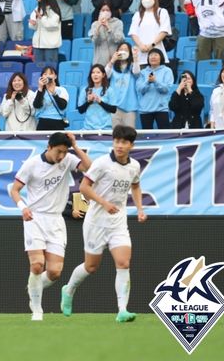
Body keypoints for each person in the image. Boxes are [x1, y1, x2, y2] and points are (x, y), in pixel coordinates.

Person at [61, 125, 146, 323]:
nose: (119, 145)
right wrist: (104, 203)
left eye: (124, 142)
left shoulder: (134, 166)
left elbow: (136, 186)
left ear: (131, 145)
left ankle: (122, 310)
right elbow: (84, 187)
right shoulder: (101, 163)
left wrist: (140, 209)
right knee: (91, 267)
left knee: (123, 263)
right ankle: (69, 289)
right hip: (96, 222)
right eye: (117, 141)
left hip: (118, 222)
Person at [10, 132, 91, 321]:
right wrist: (23, 207)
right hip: (34, 218)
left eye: (64, 151)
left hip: (56, 221)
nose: (61, 156)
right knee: (37, 265)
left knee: (54, 272)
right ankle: (37, 309)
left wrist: (75, 146)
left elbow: (90, 167)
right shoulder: (31, 165)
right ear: (49, 147)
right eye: (58, 151)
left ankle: (33, 287)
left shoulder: (68, 159)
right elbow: (14, 190)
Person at [129, 0, 172, 66]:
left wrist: (152, 45)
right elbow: (133, 32)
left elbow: (164, 31)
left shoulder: (162, 12)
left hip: (157, 53)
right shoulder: (137, 14)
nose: (145, 0)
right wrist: (141, 45)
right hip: (140, 56)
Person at [136, 48, 173, 129]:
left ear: (161, 58)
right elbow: (140, 89)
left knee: (165, 136)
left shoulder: (167, 71)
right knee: (147, 137)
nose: (153, 57)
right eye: (151, 55)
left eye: (156, 55)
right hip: (145, 109)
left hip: (161, 108)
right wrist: (148, 82)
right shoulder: (143, 72)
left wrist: (155, 81)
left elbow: (166, 89)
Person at [106, 43, 141, 129]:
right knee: (115, 133)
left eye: (126, 50)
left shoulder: (133, 66)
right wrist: (112, 61)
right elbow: (105, 75)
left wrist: (135, 58)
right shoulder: (113, 67)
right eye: (121, 49)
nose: (123, 51)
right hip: (115, 106)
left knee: (129, 134)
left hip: (130, 106)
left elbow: (137, 73)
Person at [29, 0, 62, 64]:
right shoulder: (37, 8)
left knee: (50, 68)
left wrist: (41, 18)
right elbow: (33, 27)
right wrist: (33, 23)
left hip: (50, 45)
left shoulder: (54, 10)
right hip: (38, 45)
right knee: (37, 68)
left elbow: (52, 25)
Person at [77, 64, 116, 130]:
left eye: (98, 72)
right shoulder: (85, 90)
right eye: (93, 72)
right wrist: (89, 102)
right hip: (88, 128)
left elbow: (113, 109)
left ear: (103, 75)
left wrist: (100, 102)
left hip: (105, 129)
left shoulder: (109, 90)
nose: (95, 75)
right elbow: (80, 110)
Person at [34, 66, 69, 131]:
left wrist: (54, 93)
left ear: (55, 76)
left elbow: (62, 106)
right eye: (45, 74)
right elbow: (36, 106)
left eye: (50, 74)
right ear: (41, 77)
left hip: (57, 122)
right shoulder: (39, 91)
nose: (48, 76)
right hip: (43, 122)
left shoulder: (62, 90)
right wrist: (40, 88)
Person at [89, 2, 124, 66]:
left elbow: (119, 40)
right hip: (99, 61)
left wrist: (109, 28)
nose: (105, 12)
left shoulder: (118, 23)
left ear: (111, 11)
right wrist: (98, 27)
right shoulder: (95, 24)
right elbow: (95, 41)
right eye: (103, 10)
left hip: (114, 60)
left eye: (107, 10)